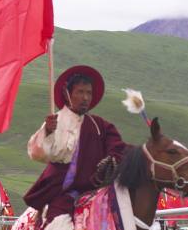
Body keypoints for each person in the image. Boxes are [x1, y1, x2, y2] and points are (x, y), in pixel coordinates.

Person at [24, 65, 127, 230]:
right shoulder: (55, 121)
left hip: (94, 193)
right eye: (80, 92)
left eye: (89, 93)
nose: (85, 97)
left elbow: (118, 147)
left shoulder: (100, 125)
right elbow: (37, 154)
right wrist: (48, 132)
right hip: (60, 194)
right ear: (68, 94)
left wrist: (113, 158)